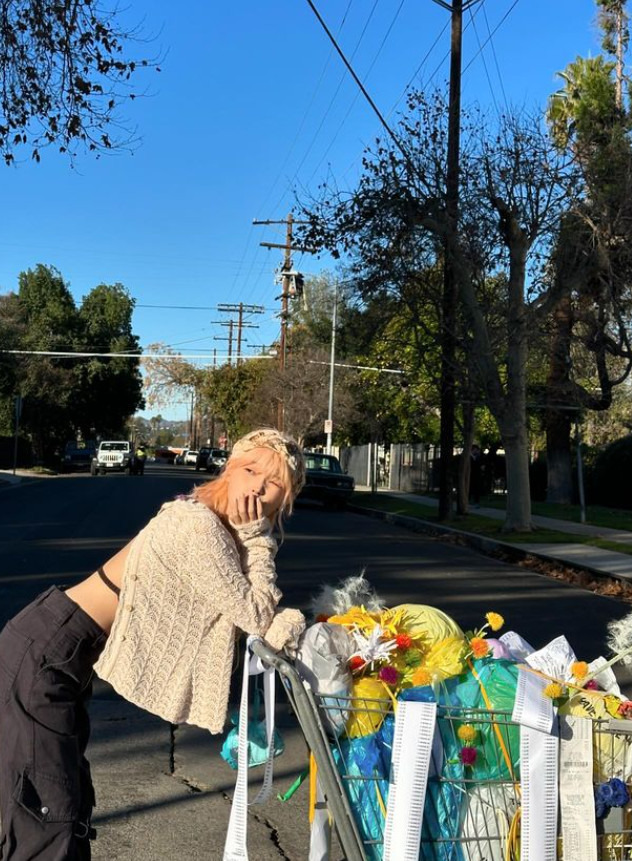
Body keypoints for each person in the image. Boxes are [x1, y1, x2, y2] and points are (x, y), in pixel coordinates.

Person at [0, 428, 306, 861]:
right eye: (250, 469)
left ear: (286, 497)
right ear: (229, 468)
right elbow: (256, 615)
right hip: (44, 652)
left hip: (64, 652)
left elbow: (252, 615)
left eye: (274, 482)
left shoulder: (214, 526)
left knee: (65, 804)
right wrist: (258, 539)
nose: (257, 485)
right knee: (50, 819)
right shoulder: (198, 527)